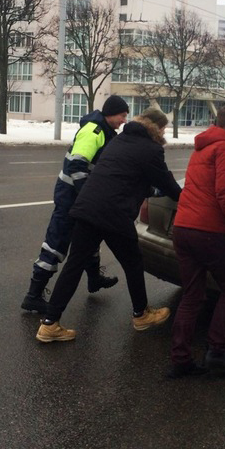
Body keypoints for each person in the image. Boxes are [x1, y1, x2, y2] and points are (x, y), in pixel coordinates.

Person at [36, 108, 182, 342]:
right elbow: (167, 184)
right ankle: (141, 314)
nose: (165, 132)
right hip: (113, 214)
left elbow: (124, 177)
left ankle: (49, 323)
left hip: (87, 208)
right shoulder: (151, 149)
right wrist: (188, 199)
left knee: (74, 265)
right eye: (164, 128)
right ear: (156, 128)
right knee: (133, 262)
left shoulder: (119, 140)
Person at [167, 104, 225, 378]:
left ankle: (180, 359)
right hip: (211, 232)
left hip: (184, 228)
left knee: (192, 295)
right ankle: (216, 352)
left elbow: (208, 189)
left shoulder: (203, 147)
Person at [21, 95, 130, 314]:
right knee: (57, 242)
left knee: (88, 234)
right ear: (111, 113)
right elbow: (77, 166)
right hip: (72, 193)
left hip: (80, 193)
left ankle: (94, 278)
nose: (124, 120)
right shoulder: (94, 131)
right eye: (122, 115)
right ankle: (33, 295)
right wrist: (87, 196)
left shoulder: (106, 131)